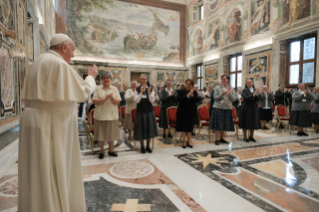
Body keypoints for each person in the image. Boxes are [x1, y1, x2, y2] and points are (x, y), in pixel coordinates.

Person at [19, 34, 98, 212]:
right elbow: (84, 92)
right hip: (52, 123)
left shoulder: (38, 62)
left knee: (37, 171)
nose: (73, 54)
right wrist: (91, 76)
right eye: (72, 49)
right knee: (53, 169)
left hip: (35, 120)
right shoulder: (59, 64)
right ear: (64, 48)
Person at [93, 71, 121, 159]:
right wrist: (105, 99)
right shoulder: (97, 89)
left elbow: (117, 101)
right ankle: (101, 151)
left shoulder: (115, 89)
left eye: (108, 78)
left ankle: (111, 151)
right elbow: (95, 101)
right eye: (104, 78)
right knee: (101, 135)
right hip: (100, 116)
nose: (106, 79)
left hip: (112, 116)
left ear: (110, 79)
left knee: (111, 135)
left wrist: (111, 98)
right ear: (102, 80)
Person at [134, 74, 158, 153]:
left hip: (149, 112)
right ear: (139, 80)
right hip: (140, 112)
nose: (143, 81)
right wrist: (141, 92)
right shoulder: (137, 89)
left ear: (147, 80)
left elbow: (152, 101)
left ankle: (148, 146)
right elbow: (136, 100)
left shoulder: (150, 89)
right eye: (141, 79)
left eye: (144, 79)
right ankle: (142, 146)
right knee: (141, 129)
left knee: (149, 129)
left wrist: (149, 93)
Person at [210, 74, 236, 145]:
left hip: (227, 108)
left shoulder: (231, 88)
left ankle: (221, 138)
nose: (223, 80)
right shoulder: (217, 88)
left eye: (224, 79)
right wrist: (222, 94)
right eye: (222, 79)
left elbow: (234, 99)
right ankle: (216, 139)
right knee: (218, 124)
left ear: (228, 80)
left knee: (224, 124)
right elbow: (215, 97)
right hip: (218, 107)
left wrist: (229, 93)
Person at [176, 79, 200, 148]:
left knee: (190, 128)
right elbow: (179, 100)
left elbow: (197, 100)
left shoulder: (194, 92)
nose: (187, 85)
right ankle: (184, 142)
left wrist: (192, 96)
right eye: (187, 83)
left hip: (191, 112)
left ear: (192, 85)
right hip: (182, 112)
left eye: (189, 84)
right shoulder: (180, 91)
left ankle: (189, 141)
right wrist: (187, 96)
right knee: (183, 128)